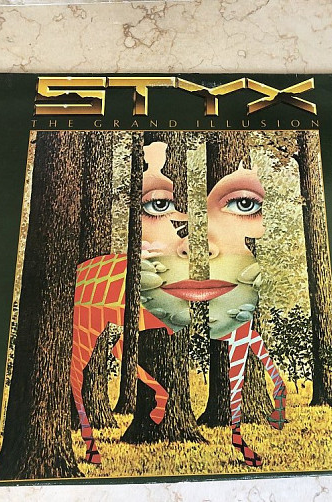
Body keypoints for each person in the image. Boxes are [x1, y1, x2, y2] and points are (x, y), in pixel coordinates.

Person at [71, 140, 286, 468]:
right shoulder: (113, 276)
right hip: (135, 280)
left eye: (245, 204)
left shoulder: (223, 273)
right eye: (157, 205)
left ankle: (237, 433)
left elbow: (240, 333)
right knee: (80, 365)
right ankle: (89, 439)